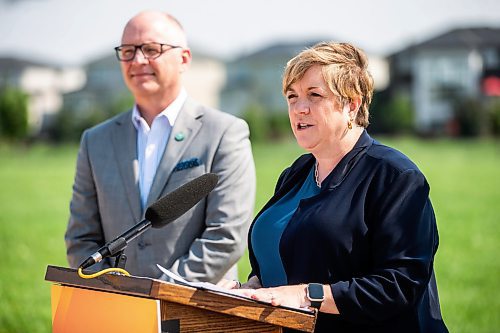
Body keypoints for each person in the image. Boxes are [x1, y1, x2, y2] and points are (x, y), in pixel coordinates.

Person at [221, 42, 448, 332]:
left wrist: (306, 296)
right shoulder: (295, 174)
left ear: (352, 104)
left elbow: (400, 284)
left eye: (314, 96)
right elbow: (281, 260)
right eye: (292, 97)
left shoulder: (395, 176)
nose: (299, 109)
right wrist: (251, 289)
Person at [65, 10, 256, 283]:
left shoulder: (225, 133)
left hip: (196, 312)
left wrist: (160, 294)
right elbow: (81, 237)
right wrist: (115, 293)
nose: (138, 60)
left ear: (184, 59)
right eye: (128, 51)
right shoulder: (95, 140)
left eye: (152, 49)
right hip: (117, 313)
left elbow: (226, 236)